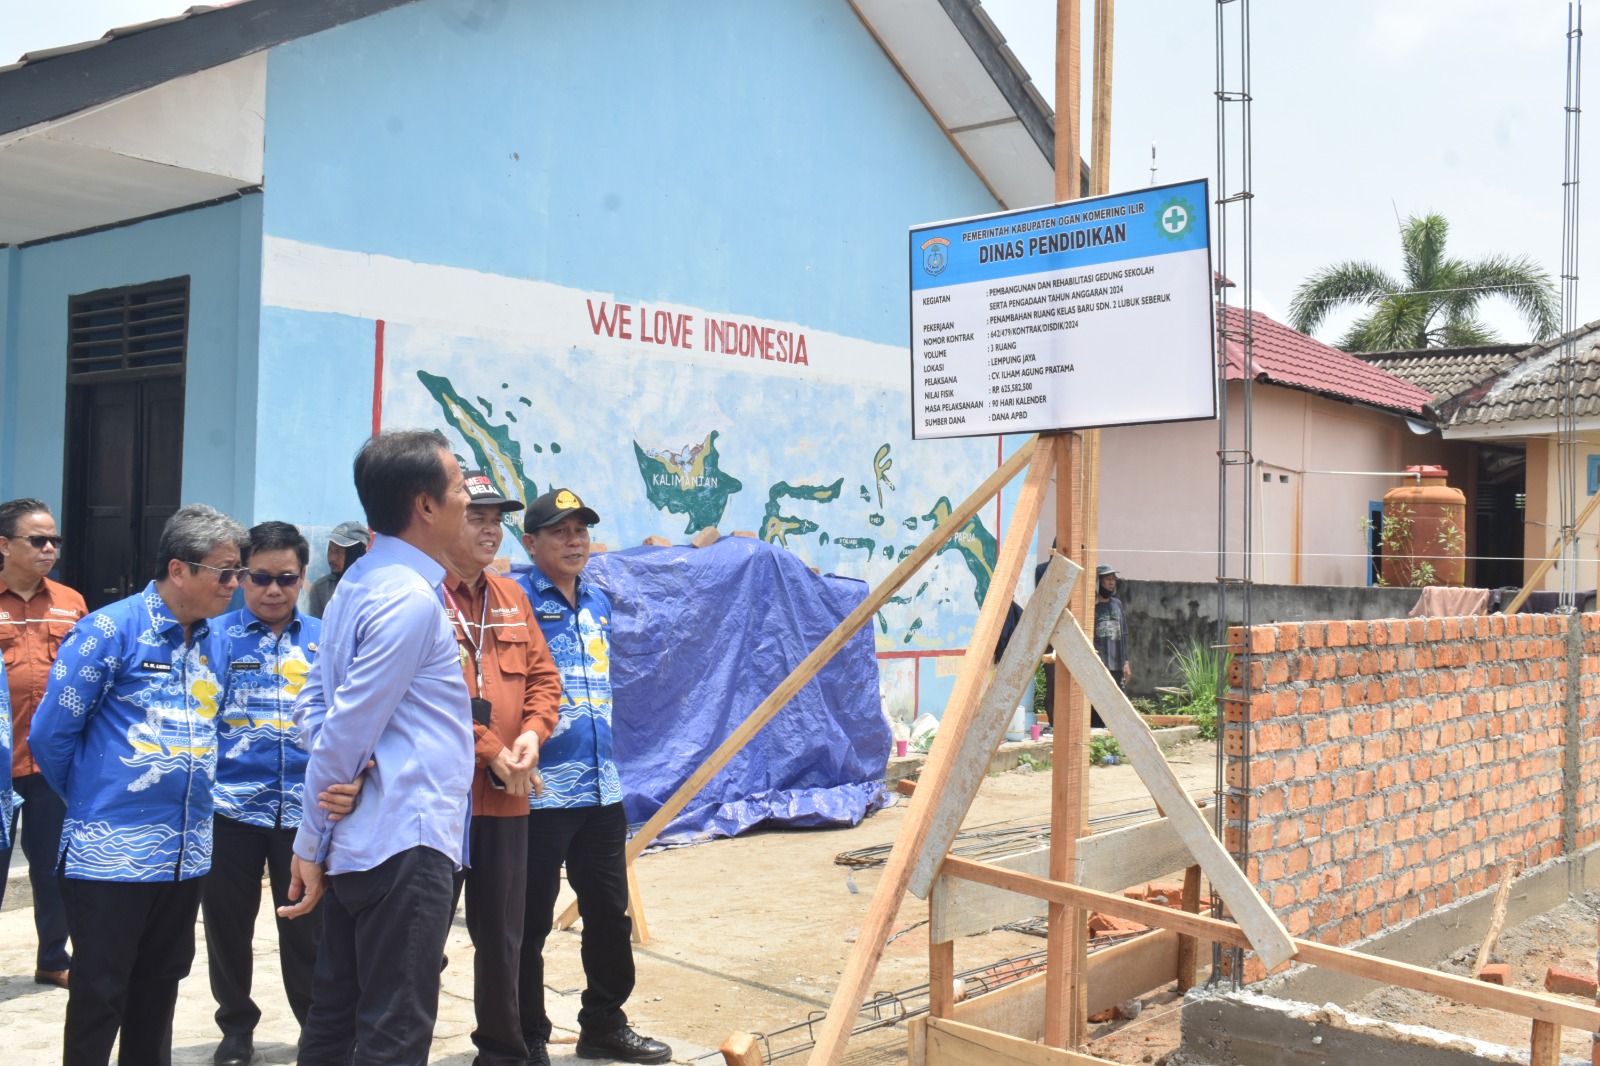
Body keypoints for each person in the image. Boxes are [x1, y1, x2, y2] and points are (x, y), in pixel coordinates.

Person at [278, 429, 475, 1066]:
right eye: (458, 487)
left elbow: (316, 710)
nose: (469, 499)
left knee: (334, 1020)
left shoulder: (361, 582)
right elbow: (343, 728)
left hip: (365, 842)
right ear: (424, 506)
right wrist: (310, 841)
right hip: (404, 840)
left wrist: (352, 772)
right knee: (393, 1031)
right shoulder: (407, 599)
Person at [30, 504, 248, 1066]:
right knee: (100, 993)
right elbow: (53, 734)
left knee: (160, 990)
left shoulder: (216, 641)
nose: (236, 584)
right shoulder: (109, 629)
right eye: (225, 572)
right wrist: (96, 801)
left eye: (238, 572)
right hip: (111, 855)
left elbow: (214, 724)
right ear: (180, 570)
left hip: (185, 853)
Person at [516, 488, 672, 1066]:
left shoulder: (598, 603)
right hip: (537, 793)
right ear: (530, 543)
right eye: (560, 532)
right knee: (527, 922)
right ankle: (526, 1033)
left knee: (608, 913)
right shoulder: (513, 600)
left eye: (580, 531)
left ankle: (603, 1023)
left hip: (601, 789)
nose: (574, 540)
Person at [444, 472, 561, 1066]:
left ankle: (502, 1051)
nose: (491, 529)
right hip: (440, 804)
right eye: (476, 517)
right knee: (421, 941)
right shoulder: (422, 596)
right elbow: (429, 699)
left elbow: (544, 680)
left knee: (504, 938)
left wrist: (532, 740)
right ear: (442, 518)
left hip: (509, 796)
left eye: (497, 519)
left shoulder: (512, 596)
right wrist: (493, 750)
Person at [202, 522, 323, 1066]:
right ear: (241, 577)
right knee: (228, 925)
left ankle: (317, 1032)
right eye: (260, 578)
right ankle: (235, 1028)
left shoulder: (328, 639)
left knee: (308, 929)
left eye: (286, 578)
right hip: (229, 810)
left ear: (303, 577)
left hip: (309, 814)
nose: (273, 590)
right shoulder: (213, 638)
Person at [0, 498, 86, 990]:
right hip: (0, 761)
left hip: (51, 763)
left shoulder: (71, 602)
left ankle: (54, 956)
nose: (49, 547)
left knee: (54, 865)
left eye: (54, 539)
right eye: (38, 539)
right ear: (5, 545)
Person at [1092, 564, 1132, 727]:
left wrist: (1126, 661)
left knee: (1116, 704)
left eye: (1113, 580)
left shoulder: (1117, 604)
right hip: (1098, 664)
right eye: (1107, 579)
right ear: (1097, 582)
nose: (1111, 583)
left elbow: (1123, 635)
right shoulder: (1091, 607)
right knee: (1097, 704)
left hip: (1117, 664)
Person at [306, 520, 368, 618]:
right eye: (330, 550)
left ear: (355, 553)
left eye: (339, 552)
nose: (332, 558)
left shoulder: (372, 588)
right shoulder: (321, 588)